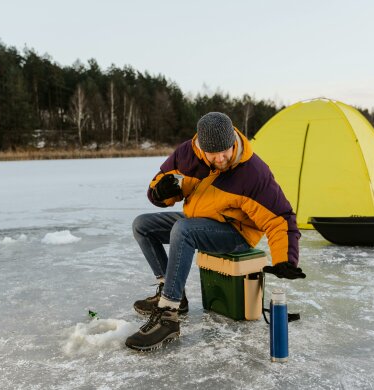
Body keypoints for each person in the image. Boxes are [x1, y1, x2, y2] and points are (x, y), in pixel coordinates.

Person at [125, 112, 305, 351]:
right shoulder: (185, 154)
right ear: (201, 146)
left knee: (183, 230)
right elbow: (158, 183)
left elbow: (281, 217)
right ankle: (169, 290)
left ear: (232, 141)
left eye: (226, 150)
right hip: (198, 221)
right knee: (142, 225)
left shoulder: (253, 172)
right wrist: (159, 193)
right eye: (214, 153)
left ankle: (168, 315)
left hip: (236, 233)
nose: (222, 158)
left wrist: (285, 259)